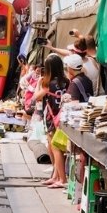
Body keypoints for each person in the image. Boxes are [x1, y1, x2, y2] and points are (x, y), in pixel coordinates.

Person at [33, 53, 69, 189]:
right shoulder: (67, 82)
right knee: (53, 146)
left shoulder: (47, 83)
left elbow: (36, 97)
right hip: (63, 116)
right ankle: (55, 176)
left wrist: (38, 83)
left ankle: (61, 179)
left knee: (54, 146)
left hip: (51, 117)